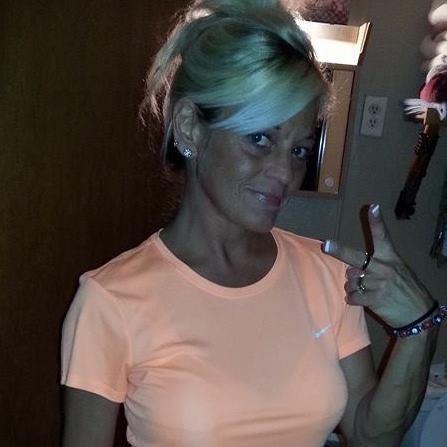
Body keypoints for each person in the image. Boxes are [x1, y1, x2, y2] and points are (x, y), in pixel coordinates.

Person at [60, 1, 441, 446]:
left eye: (298, 150)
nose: (285, 174)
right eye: (260, 138)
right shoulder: (111, 300)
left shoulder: (327, 275)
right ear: (189, 127)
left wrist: (419, 328)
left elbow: (370, 435)